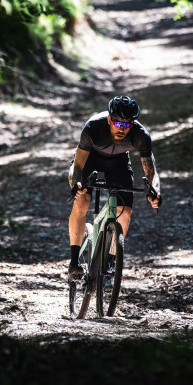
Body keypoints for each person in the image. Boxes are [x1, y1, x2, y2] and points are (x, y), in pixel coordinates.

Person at [67, 94, 162, 280]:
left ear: (132, 124)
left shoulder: (141, 135)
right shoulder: (93, 128)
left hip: (118, 163)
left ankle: (110, 264)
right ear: (109, 120)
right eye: (118, 123)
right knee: (81, 200)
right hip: (90, 159)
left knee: (125, 211)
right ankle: (74, 262)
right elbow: (77, 165)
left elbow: (151, 171)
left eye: (127, 124)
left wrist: (155, 191)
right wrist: (76, 184)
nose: (122, 129)